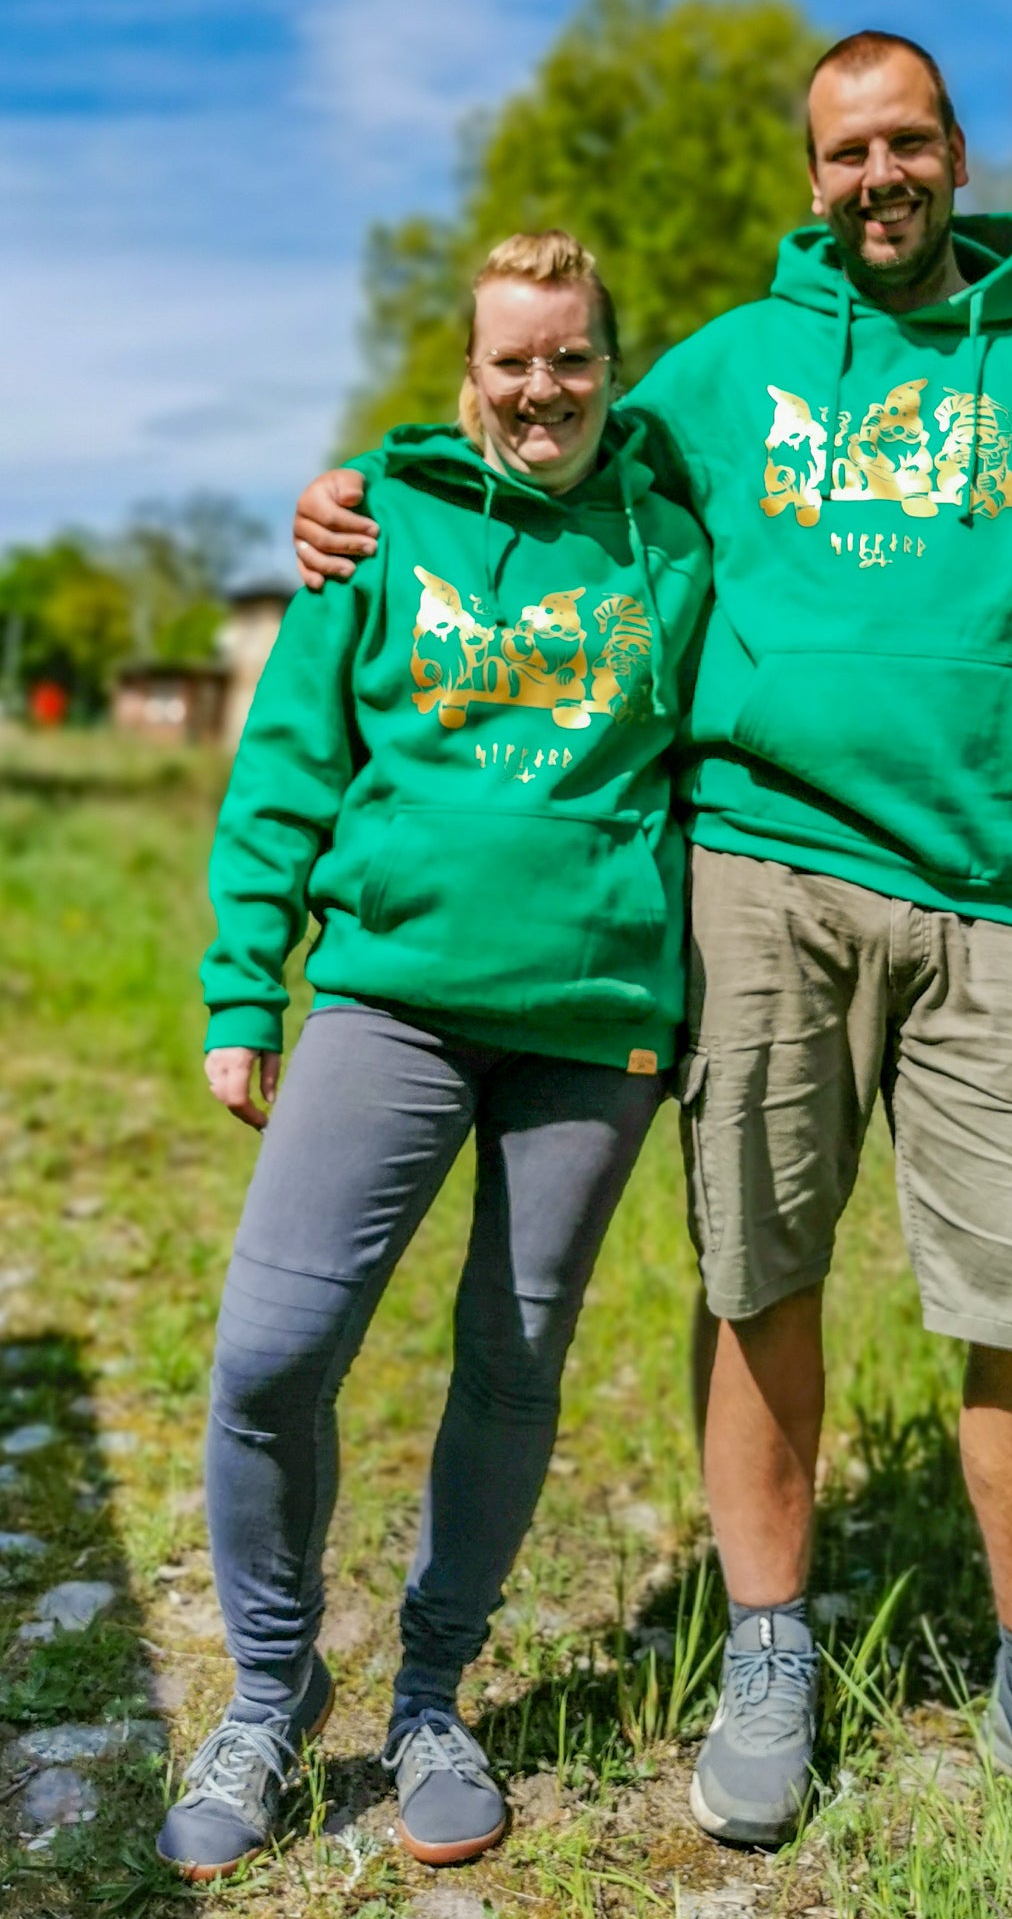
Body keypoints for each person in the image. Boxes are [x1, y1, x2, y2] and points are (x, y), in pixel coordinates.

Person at [293, 32, 1012, 1859]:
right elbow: (533, 453)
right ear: (813, 177)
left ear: (955, 156)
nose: (879, 175)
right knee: (758, 1268)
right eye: (847, 150)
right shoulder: (723, 372)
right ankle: (769, 1654)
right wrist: (359, 505)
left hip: (999, 888)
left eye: (908, 143)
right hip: (760, 873)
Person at [156, 230, 710, 1881]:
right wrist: (247, 986)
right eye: (512, 360)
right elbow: (287, 766)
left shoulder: (676, 546)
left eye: (573, 357)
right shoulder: (377, 528)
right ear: (467, 375)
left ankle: (428, 1695)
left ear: (615, 367)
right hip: (390, 998)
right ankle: (268, 1693)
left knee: (514, 1362)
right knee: (270, 1355)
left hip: (592, 1027)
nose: (543, 387)